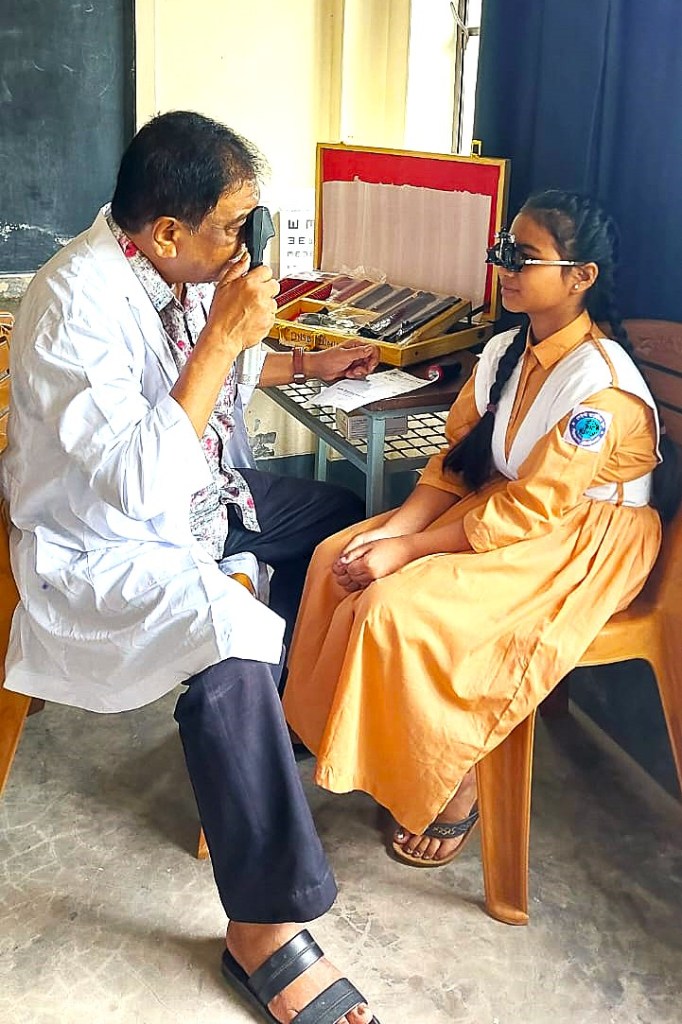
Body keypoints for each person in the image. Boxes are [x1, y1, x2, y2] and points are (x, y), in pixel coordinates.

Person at [0, 111, 381, 1024]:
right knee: (228, 637)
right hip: (102, 543)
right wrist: (221, 337)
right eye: (234, 226)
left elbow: (218, 390)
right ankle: (261, 930)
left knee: (347, 527)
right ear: (168, 230)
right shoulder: (73, 305)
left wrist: (302, 357)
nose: (245, 244)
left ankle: (279, 723)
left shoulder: (170, 272)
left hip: (202, 499)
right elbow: (138, 483)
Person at [283, 189, 680, 870]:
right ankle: (332, 732)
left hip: (585, 539)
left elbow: (535, 510)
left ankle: (455, 778)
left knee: (396, 605)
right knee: (335, 555)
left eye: (524, 257)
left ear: (581, 277)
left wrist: (409, 550)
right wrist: (393, 534)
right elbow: (455, 464)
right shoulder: (504, 352)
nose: (505, 269)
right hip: (507, 508)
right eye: (503, 252)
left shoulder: (600, 391)